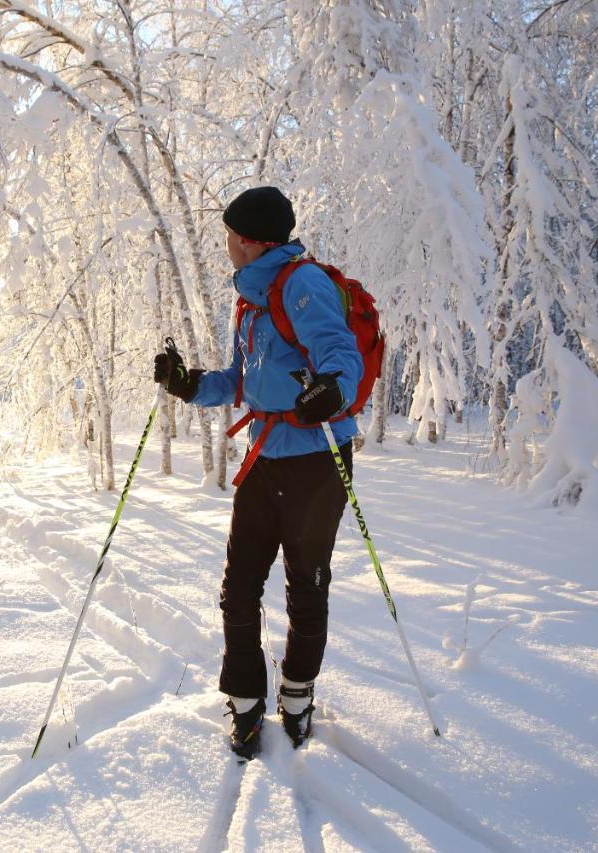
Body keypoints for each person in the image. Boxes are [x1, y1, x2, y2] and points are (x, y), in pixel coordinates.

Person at [154, 186, 363, 759]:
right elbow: (241, 381)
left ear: (247, 240)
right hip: (265, 454)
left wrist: (332, 391)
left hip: (317, 460)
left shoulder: (301, 284)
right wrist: (190, 384)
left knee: (306, 583)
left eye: (228, 235)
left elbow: (342, 354)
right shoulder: (251, 299)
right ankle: (245, 702)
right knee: (239, 586)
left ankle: (296, 696)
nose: (224, 244)